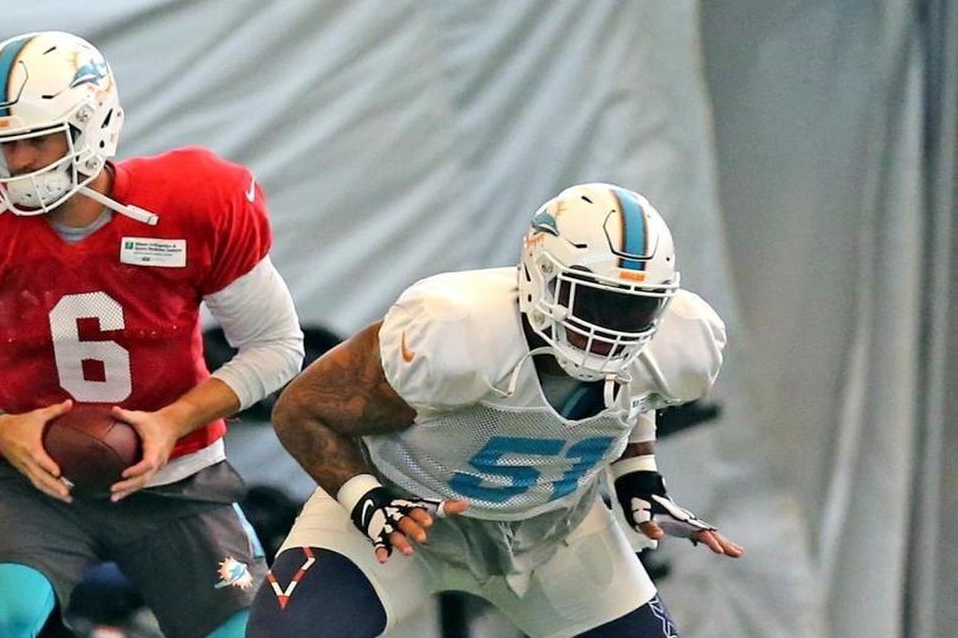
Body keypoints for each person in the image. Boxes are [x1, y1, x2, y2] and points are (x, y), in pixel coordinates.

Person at [0, 31, 304, 638]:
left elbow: (277, 344)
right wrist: (0, 427)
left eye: (36, 139)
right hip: (29, 472)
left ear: (93, 124)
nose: (20, 163)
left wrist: (172, 420)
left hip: (177, 470)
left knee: (243, 632)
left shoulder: (195, 201)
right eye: (4, 146)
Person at [246, 183, 743, 638]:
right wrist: (367, 500)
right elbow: (302, 409)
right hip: (407, 513)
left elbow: (639, 393)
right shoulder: (456, 331)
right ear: (540, 275)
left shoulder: (679, 342)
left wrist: (638, 475)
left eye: (633, 310)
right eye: (593, 303)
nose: (613, 332)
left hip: (554, 529)